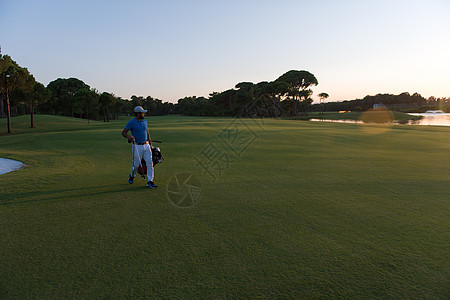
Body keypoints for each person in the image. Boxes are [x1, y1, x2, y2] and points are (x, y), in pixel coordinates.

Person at [121, 106, 157, 188]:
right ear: (137, 114)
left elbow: (147, 133)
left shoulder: (145, 121)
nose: (144, 114)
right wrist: (129, 137)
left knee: (149, 163)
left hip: (146, 145)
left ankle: (150, 181)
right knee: (136, 165)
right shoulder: (131, 122)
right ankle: (132, 176)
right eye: (142, 112)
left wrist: (150, 144)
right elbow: (123, 133)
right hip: (137, 146)